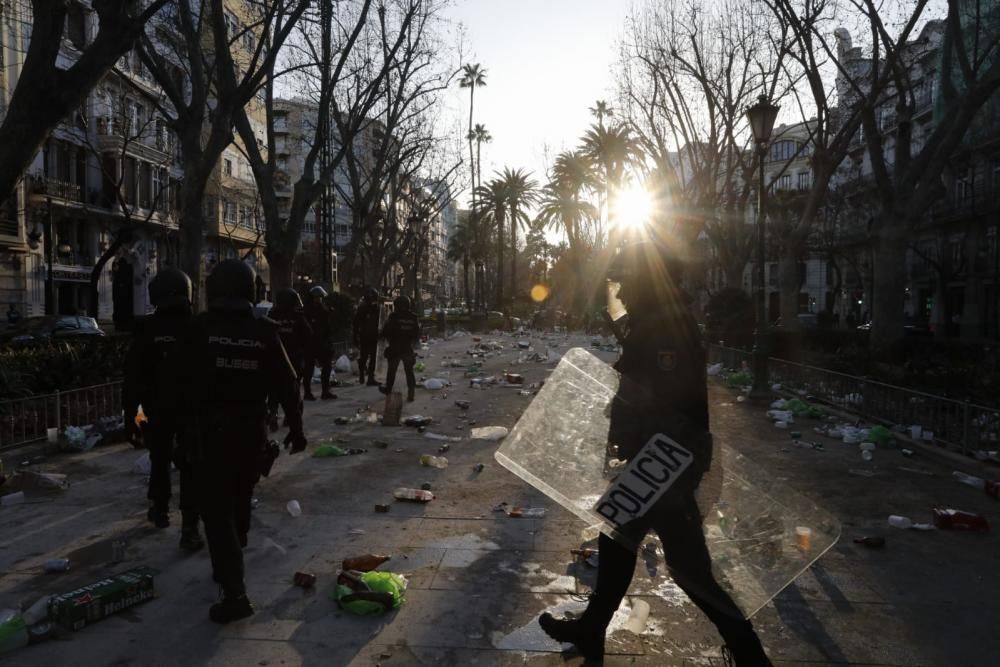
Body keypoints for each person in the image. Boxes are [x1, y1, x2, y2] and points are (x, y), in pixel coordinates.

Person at [538, 240, 772, 666]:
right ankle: (593, 629)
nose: (621, 290)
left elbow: (662, 397)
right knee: (617, 538)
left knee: (688, 570)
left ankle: (750, 654)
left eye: (626, 280)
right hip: (658, 455)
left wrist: (628, 422)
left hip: (667, 458)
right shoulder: (660, 320)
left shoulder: (665, 326)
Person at [168, 259, 307, 624]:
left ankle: (234, 592)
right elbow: (289, 385)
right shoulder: (264, 332)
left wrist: (166, 431)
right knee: (240, 498)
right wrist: (297, 428)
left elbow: (173, 386)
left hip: (208, 436)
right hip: (251, 434)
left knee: (216, 512)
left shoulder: (198, 330)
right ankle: (233, 558)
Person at [122, 267, 204, 552]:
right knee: (191, 465)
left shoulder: (145, 330)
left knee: (159, 459)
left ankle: (160, 509)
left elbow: (131, 378)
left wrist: (130, 417)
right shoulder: (198, 327)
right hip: (191, 410)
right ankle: (190, 526)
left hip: (156, 409)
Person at [267, 288, 312, 430]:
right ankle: (290, 417)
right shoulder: (298, 317)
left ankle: (273, 413)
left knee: (273, 390)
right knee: (293, 389)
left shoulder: (272, 315)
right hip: (293, 361)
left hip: (273, 360)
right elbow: (309, 336)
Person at [378, 295, 421, 402]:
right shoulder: (413, 317)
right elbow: (416, 334)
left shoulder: (393, 316)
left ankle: (388, 389)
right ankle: (411, 393)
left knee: (391, 371)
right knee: (409, 372)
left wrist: (380, 335)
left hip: (395, 349)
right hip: (407, 348)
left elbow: (386, 331)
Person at [302, 285, 336, 400]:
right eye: (317, 297)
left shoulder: (323, 308)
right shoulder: (307, 311)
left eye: (321, 298)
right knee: (308, 369)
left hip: (321, 343)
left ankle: (325, 391)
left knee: (326, 366)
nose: (319, 300)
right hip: (310, 344)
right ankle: (307, 392)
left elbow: (327, 328)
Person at [353, 287, 382, 386]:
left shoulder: (369, 307)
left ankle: (365, 376)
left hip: (367, 335)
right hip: (368, 335)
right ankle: (368, 377)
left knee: (365, 356)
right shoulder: (366, 308)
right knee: (370, 357)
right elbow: (356, 323)